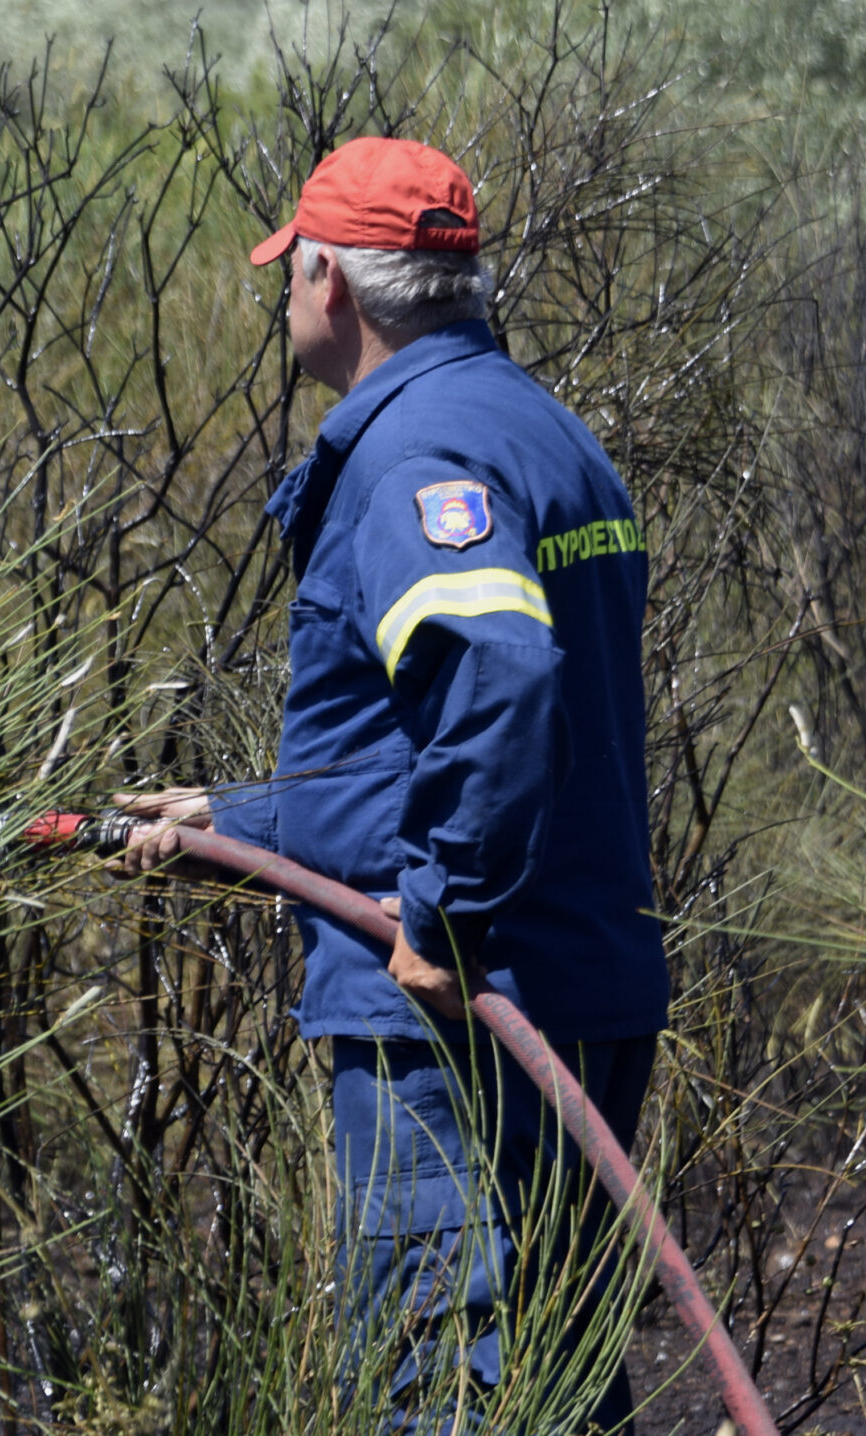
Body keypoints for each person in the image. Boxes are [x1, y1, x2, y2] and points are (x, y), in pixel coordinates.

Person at [117, 137, 671, 1431]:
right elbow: (456, 739)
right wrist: (245, 820)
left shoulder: (412, 456)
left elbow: (502, 680)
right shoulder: (538, 429)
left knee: (447, 1394)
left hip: (453, 1032)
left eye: (290, 272)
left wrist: (442, 912)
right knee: (558, 1383)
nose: (287, 298)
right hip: (578, 991)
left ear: (331, 285)